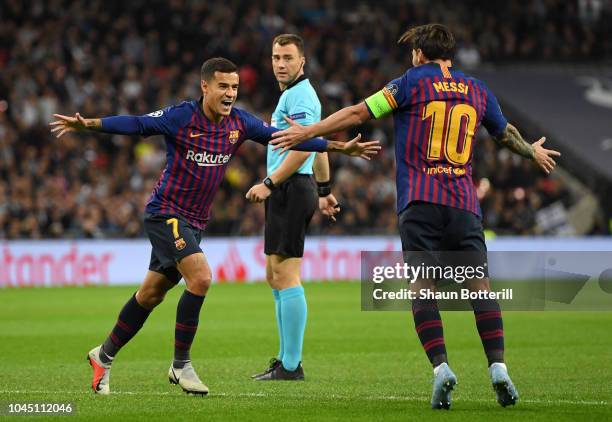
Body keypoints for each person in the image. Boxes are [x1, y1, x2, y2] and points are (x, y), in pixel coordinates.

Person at [49, 57, 380, 396]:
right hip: (165, 214)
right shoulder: (180, 117)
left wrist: (339, 147)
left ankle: (102, 356)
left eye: (234, 87)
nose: (230, 93)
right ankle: (181, 365)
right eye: (223, 86)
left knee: (150, 294)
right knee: (201, 277)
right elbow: (136, 123)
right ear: (205, 86)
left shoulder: (239, 123)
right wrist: (88, 125)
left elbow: (285, 137)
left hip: (194, 222)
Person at [270, 24, 561, 409]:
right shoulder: (476, 89)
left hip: (420, 204)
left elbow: (359, 111)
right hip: (463, 204)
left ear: (420, 55)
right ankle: (498, 368)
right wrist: (532, 153)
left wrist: (310, 130)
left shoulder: (410, 83)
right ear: (450, 56)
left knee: (423, 289)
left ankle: (441, 369)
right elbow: (504, 132)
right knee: (480, 289)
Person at [245, 34, 338, 381]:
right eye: (275, 57)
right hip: (294, 186)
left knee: (285, 274)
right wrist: (326, 190)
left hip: (290, 187)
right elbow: (319, 143)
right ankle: (285, 360)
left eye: (287, 58)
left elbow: (301, 148)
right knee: (274, 275)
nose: (280, 64)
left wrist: (269, 183)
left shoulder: (300, 96)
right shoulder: (294, 95)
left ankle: (291, 365)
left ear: (302, 62)